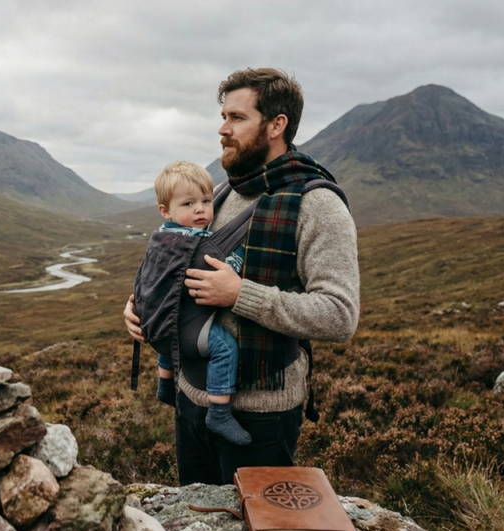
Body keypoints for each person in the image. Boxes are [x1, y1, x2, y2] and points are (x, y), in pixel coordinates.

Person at [123, 68, 360, 486]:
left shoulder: (318, 204)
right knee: (195, 518)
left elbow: (340, 315)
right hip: (190, 400)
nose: (222, 129)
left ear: (276, 125)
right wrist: (142, 306)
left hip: (261, 417)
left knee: (258, 524)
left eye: (236, 118)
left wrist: (239, 295)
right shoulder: (222, 193)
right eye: (223, 116)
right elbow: (178, 261)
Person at [147, 160, 252, 446]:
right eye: (189, 203)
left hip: (162, 318)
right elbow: (215, 268)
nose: (200, 209)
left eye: (206, 201)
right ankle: (219, 411)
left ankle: (165, 383)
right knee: (224, 347)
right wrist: (238, 255)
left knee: (168, 336)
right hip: (188, 323)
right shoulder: (193, 241)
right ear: (165, 210)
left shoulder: (161, 236)